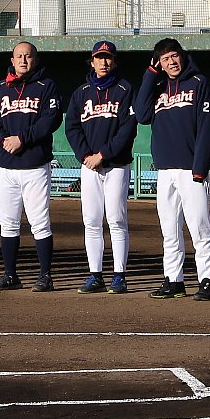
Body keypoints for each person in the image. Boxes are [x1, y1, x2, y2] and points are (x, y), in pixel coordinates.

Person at [133, 37, 210, 300]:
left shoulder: (199, 83)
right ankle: (173, 279)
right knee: (169, 229)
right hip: (165, 170)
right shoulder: (158, 86)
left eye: (174, 56)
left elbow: (207, 127)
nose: (171, 62)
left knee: (199, 227)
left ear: (182, 56)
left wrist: (200, 167)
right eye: (165, 59)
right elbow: (141, 115)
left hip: (190, 169)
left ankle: (208, 281)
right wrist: (150, 74)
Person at [0, 41, 64, 292]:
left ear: (35, 59)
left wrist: (22, 139)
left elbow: (50, 120)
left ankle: (45, 276)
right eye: (19, 56)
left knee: (39, 221)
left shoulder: (46, 86)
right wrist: (3, 140)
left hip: (35, 165)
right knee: (7, 222)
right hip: (7, 166)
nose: (23, 60)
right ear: (12, 59)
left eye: (28, 56)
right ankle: (10, 274)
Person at [64, 40, 137, 294]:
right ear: (92, 61)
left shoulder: (125, 89)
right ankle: (95, 274)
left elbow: (128, 128)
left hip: (116, 164)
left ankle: (119, 275)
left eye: (108, 58)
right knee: (92, 220)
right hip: (89, 166)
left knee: (116, 219)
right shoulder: (81, 92)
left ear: (114, 61)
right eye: (99, 57)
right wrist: (86, 155)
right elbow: (71, 127)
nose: (103, 62)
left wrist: (103, 154)